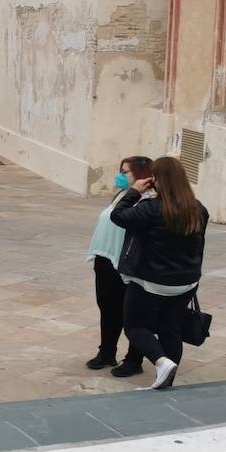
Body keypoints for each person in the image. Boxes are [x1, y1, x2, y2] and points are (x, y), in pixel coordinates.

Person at [110, 156, 209, 391]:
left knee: (134, 327)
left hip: (151, 282)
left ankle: (162, 362)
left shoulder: (151, 208)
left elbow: (118, 216)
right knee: (170, 329)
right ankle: (167, 378)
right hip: (185, 282)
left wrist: (133, 192)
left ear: (157, 180)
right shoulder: (198, 209)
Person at [86, 156, 153, 376]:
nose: (120, 176)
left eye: (125, 172)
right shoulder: (121, 195)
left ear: (140, 174)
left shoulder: (147, 200)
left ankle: (134, 360)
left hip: (127, 265)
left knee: (132, 315)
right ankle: (106, 352)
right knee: (107, 309)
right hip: (105, 261)